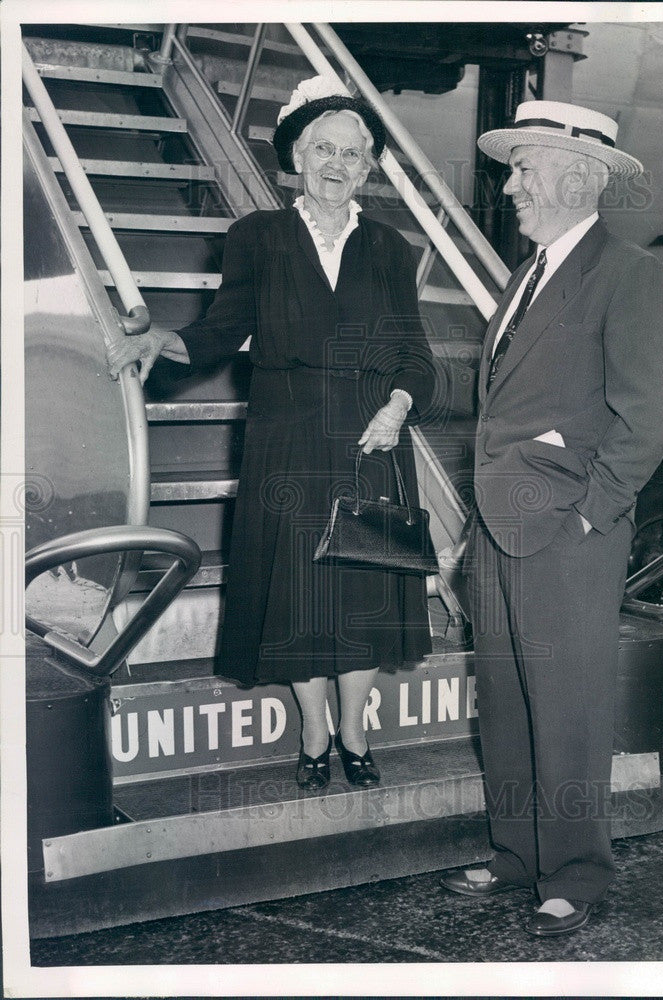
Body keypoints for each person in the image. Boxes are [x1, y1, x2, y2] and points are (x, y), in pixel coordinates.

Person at [107, 76, 434, 792]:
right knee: (301, 601)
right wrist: (164, 341)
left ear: (369, 166)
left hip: (373, 440)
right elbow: (222, 331)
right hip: (286, 440)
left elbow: (415, 351)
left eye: (353, 153)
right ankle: (315, 730)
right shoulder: (256, 237)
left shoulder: (390, 247)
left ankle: (354, 727)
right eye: (323, 148)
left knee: (365, 600)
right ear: (296, 156)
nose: (337, 163)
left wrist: (400, 405)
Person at [439, 101, 663, 936]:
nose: (509, 186)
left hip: (569, 535)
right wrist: (476, 531)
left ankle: (576, 870)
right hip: (502, 530)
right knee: (505, 698)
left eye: (523, 168)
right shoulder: (528, 275)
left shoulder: (629, 275)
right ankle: (518, 851)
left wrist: (591, 517)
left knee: (569, 703)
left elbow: (646, 416)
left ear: (579, 177)